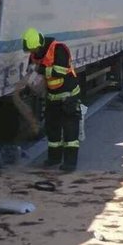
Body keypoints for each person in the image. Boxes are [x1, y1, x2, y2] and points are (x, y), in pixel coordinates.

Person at [22, 27, 82, 171]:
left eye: (34, 49)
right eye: (31, 50)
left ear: (40, 44)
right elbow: (32, 70)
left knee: (70, 133)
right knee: (52, 131)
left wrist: (41, 70)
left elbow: (60, 71)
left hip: (69, 96)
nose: (33, 53)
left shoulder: (59, 49)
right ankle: (53, 159)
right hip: (52, 97)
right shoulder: (35, 54)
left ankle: (70, 163)